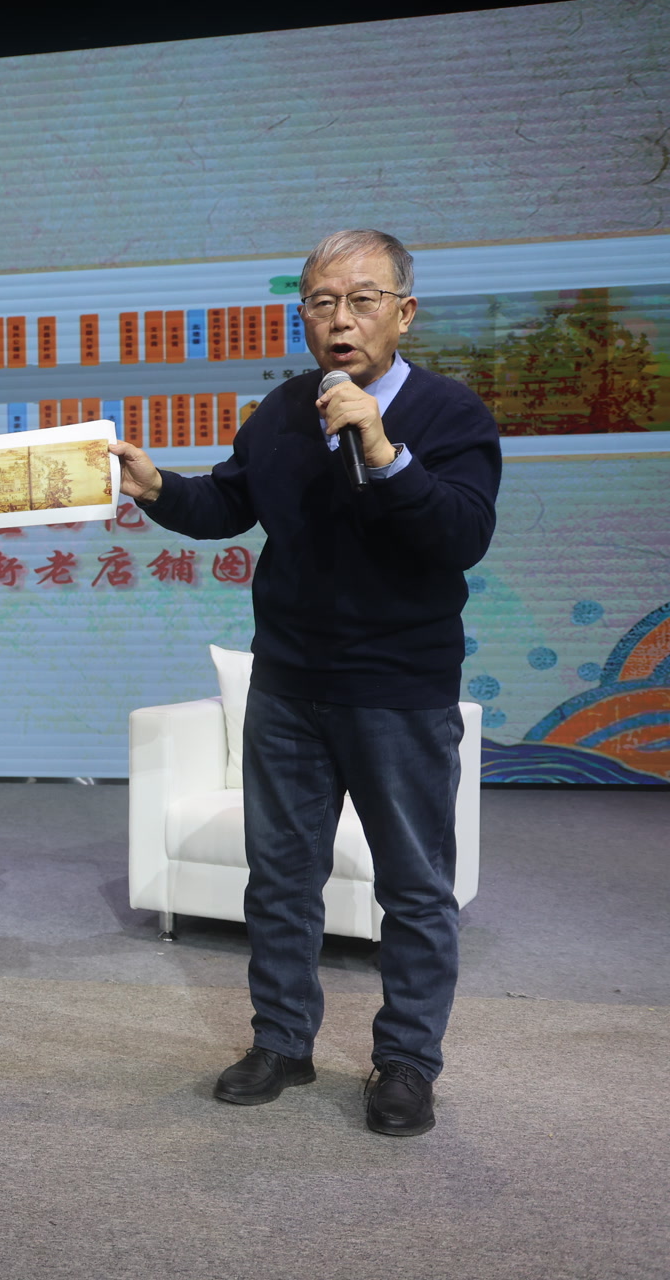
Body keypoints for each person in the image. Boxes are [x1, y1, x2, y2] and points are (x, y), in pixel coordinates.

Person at [108, 230, 500, 1136]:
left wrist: (382, 449)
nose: (340, 320)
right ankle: (282, 1042)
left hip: (399, 691)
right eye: (322, 302)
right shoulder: (284, 410)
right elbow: (228, 503)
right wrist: (157, 486)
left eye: (363, 300)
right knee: (281, 880)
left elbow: (460, 536)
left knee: (414, 889)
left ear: (404, 313)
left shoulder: (450, 413)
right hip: (287, 685)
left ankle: (406, 1063)